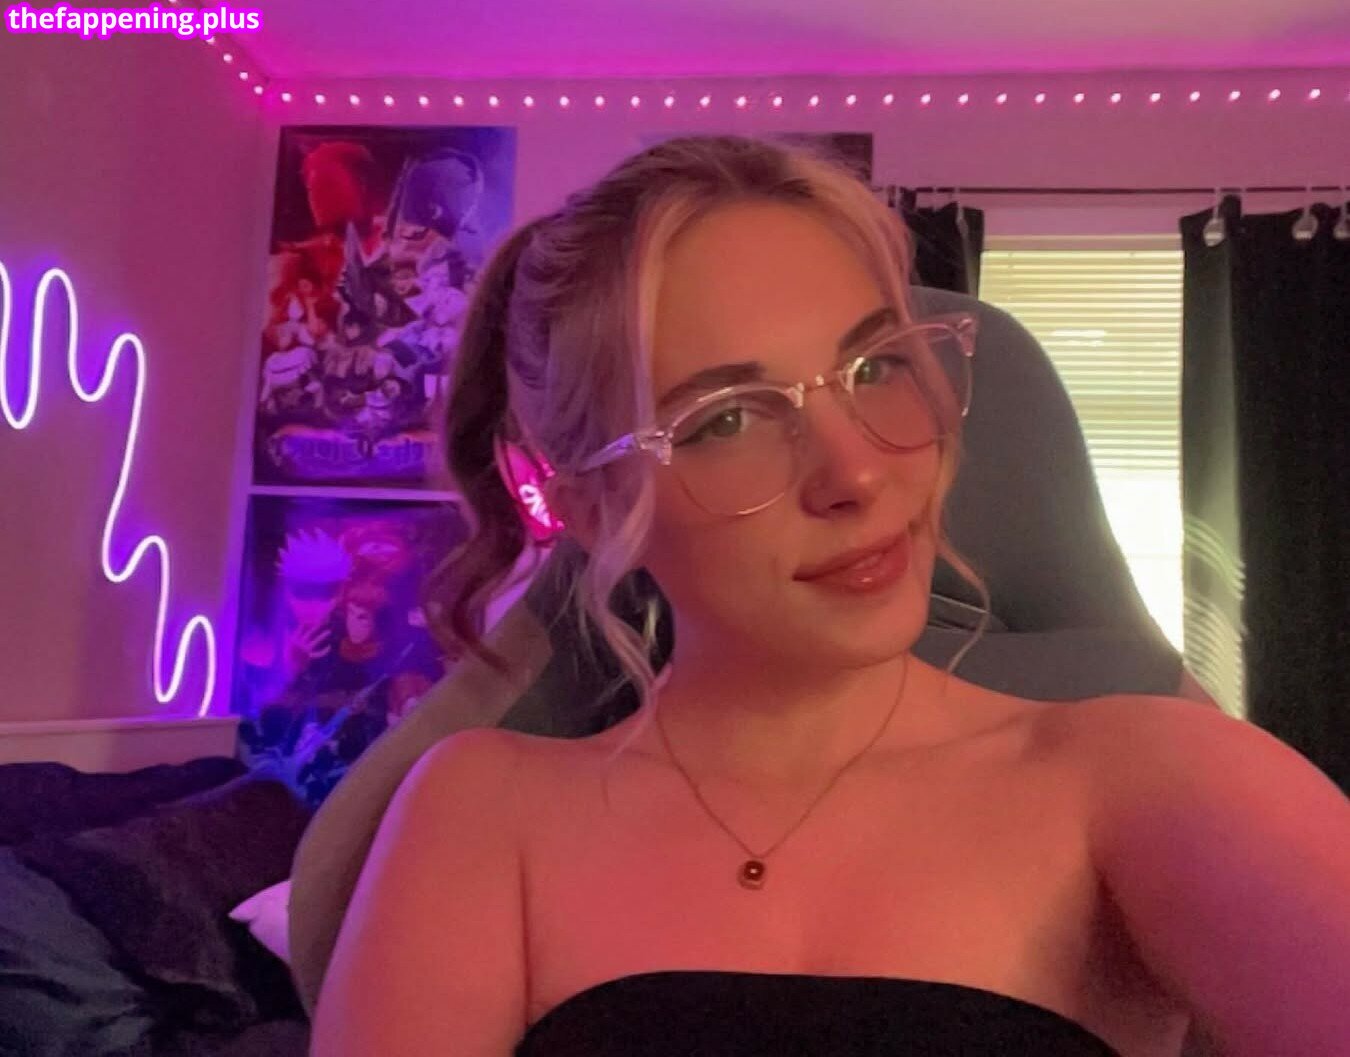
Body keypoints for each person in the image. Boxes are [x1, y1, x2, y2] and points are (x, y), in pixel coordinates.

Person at [309, 135, 1350, 1056]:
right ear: (588, 505)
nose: (857, 472)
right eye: (727, 418)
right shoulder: (481, 811)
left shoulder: (1144, 774)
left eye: (875, 366)